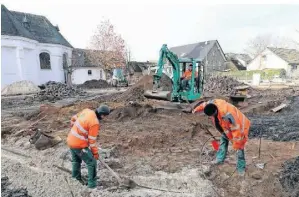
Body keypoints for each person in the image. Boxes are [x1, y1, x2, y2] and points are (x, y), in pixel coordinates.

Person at [192, 99, 250, 175]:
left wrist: (236, 144)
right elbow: (203, 105)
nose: (212, 117)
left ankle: (241, 168)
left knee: (239, 147)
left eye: (213, 115)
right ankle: (220, 159)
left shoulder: (227, 114)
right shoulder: (211, 104)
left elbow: (236, 130)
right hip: (227, 127)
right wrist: (196, 109)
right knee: (223, 139)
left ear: (216, 110)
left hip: (241, 126)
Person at [67, 105, 110, 189]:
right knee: (92, 162)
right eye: (104, 116)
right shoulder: (94, 123)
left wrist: (73, 126)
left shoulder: (87, 111)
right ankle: (92, 184)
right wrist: (95, 153)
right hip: (78, 145)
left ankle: (76, 178)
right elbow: (92, 141)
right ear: (101, 114)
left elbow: (73, 118)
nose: (104, 118)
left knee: (76, 160)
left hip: (70, 140)